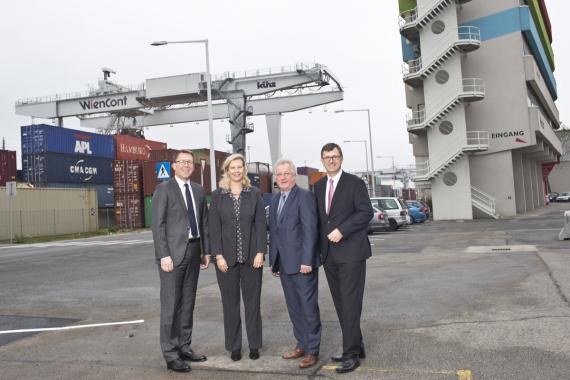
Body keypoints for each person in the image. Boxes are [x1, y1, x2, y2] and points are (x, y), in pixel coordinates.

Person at [314, 142, 373, 374]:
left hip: (351, 253)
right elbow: (320, 221)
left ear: (341, 158)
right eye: (327, 157)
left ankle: (350, 355)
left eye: (335, 156)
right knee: (341, 304)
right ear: (322, 160)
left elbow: (365, 212)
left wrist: (343, 230)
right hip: (329, 256)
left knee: (350, 303)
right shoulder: (318, 187)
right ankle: (356, 346)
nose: (331, 160)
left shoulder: (355, 184)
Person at [151, 149, 210, 373]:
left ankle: (184, 347)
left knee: (187, 304)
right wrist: (163, 255)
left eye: (189, 162)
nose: (186, 165)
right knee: (170, 306)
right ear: (173, 166)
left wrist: (206, 251)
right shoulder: (163, 190)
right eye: (182, 162)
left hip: (194, 251)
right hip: (172, 256)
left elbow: (203, 223)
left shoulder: (198, 190)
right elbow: (158, 226)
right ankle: (170, 353)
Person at [209, 153, 266, 361]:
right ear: (227, 170)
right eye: (232, 167)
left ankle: (254, 345)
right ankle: (234, 346)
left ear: (244, 169)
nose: (236, 171)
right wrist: (218, 256)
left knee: (253, 303)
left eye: (240, 167)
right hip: (226, 261)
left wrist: (260, 251)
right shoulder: (217, 196)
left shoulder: (254, 193)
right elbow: (213, 228)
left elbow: (261, 225)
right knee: (230, 304)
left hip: (252, 258)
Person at [269, 159, 321, 369]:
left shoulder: (305, 196)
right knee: (294, 307)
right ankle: (301, 344)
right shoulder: (275, 200)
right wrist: (274, 261)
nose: (282, 177)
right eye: (279, 174)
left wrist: (307, 261)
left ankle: (313, 350)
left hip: (302, 265)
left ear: (293, 176)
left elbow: (310, 230)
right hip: (284, 264)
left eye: (286, 173)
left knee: (308, 308)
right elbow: (274, 232)